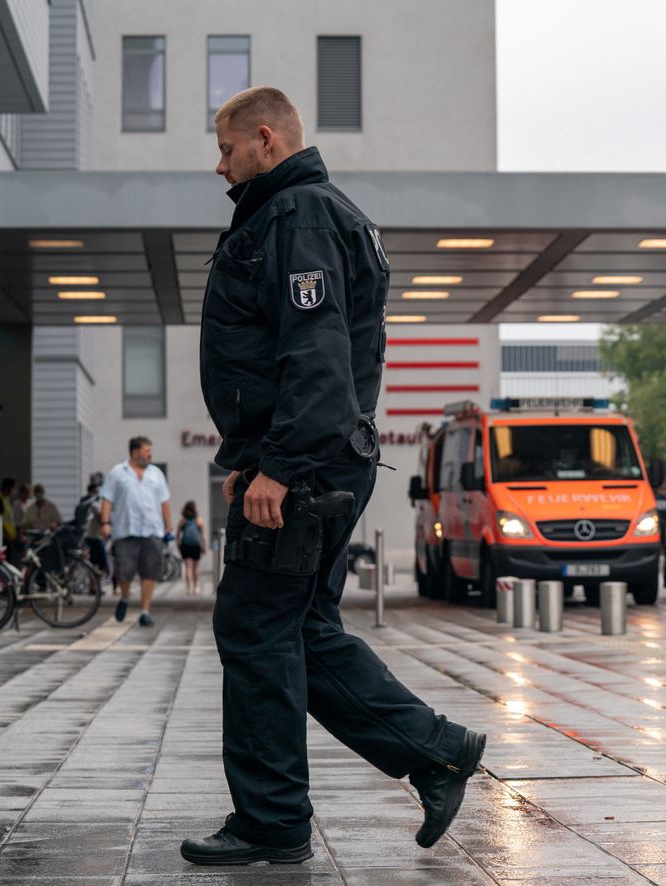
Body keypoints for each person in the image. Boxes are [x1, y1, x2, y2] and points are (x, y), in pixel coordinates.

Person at [181, 87, 485, 866]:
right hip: (313, 460)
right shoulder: (298, 213)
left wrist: (276, 469)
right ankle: (437, 751)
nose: (219, 168)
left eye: (226, 150)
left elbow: (314, 357)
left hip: (308, 466)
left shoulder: (299, 216)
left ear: (265, 137)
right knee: (299, 630)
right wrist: (253, 461)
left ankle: (274, 819)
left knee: (253, 628)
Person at [100, 436, 172, 627]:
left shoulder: (156, 474)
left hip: (152, 531)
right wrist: (105, 522)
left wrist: (168, 525)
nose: (150, 454)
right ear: (135, 452)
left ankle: (145, 612)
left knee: (150, 572)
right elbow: (107, 499)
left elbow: (164, 501)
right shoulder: (118, 472)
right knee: (124, 571)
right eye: (147, 451)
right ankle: (124, 597)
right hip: (125, 531)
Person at [175, 501, 206, 596]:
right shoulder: (199, 520)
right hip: (196, 546)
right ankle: (196, 587)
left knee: (188, 567)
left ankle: (189, 588)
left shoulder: (182, 521)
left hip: (185, 545)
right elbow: (203, 536)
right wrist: (204, 546)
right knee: (195, 568)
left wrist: (178, 545)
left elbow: (177, 535)